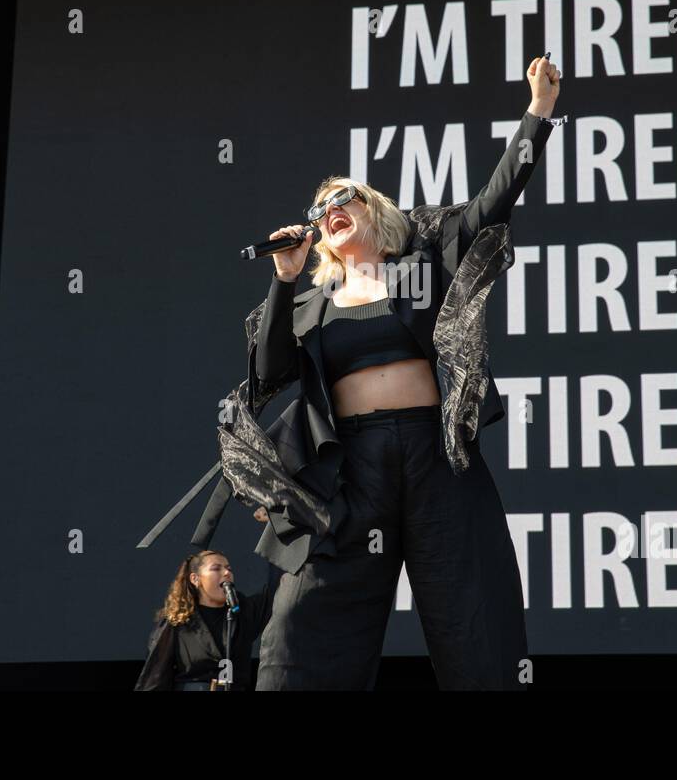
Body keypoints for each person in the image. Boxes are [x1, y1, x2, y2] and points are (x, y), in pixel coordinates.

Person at [224, 54, 563, 690]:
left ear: (374, 211)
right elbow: (270, 374)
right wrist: (285, 278)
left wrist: (538, 113)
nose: (329, 208)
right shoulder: (309, 300)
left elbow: (494, 203)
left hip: (435, 455)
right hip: (350, 468)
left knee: (473, 613)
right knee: (306, 620)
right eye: (320, 207)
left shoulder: (427, 257)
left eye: (343, 197)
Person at [135, 547, 278, 691]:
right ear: (195, 579)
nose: (227, 573)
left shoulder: (243, 612)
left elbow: (276, 589)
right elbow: (155, 677)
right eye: (216, 569)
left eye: (229, 569)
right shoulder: (177, 621)